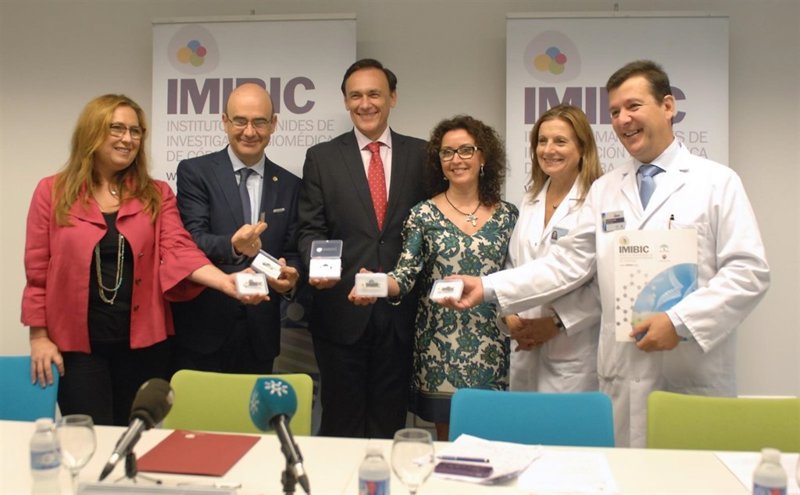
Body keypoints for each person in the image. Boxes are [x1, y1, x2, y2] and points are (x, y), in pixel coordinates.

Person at [441, 60, 770, 447]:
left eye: (633, 106)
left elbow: (748, 272)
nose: (623, 119)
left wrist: (680, 321)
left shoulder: (716, 182)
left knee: (686, 472)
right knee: (620, 472)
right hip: (621, 375)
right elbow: (566, 264)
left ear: (668, 106)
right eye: (614, 112)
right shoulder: (606, 190)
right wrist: (486, 287)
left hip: (689, 371)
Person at [21, 94, 265, 426]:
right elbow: (37, 273)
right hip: (77, 349)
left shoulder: (156, 193)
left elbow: (178, 248)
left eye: (135, 131)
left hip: (144, 348)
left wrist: (225, 281)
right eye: (117, 128)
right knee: (90, 436)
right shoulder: (52, 192)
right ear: (91, 133)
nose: (128, 139)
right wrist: (38, 337)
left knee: (135, 437)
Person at [350, 115, 518, 441]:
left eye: (466, 150)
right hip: (441, 349)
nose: (456, 160)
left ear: (483, 156)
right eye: (447, 153)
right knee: (448, 446)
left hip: (495, 345)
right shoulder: (423, 215)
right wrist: (374, 283)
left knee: (495, 443)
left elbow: (518, 276)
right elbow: (404, 276)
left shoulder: (508, 215)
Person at [297, 58, 426, 438]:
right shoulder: (322, 158)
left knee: (390, 424)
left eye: (374, 94)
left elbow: (431, 228)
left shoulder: (422, 155)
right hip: (341, 311)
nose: (365, 104)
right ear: (345, 101)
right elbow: (310, 229)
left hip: (401, 316)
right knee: (340, 424)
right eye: (355, 96)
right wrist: (319, 269)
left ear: (392, 98)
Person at [171, 83, 300, 374]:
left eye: (259, 122)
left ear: (274, 124)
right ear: (225, 121)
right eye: (240, 121)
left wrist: (291, 278)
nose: (249, 132)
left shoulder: (291, 185)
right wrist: (233, 245)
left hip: (260, 333)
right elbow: (191, 240)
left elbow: (292, 250)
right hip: (204, 328)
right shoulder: (196, 172)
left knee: (253, 406)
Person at [504, 105, 602, 392]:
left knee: (565, 421)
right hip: (525, 344)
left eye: (560, 141)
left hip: (573, 349)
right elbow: (514, 263)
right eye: (542, 141)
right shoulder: (530, 199)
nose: (548, 150)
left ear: (582, 148)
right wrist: (509, 314)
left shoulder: (597, 200)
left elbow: (604, 282)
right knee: (524, 418)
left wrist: (556, 322)